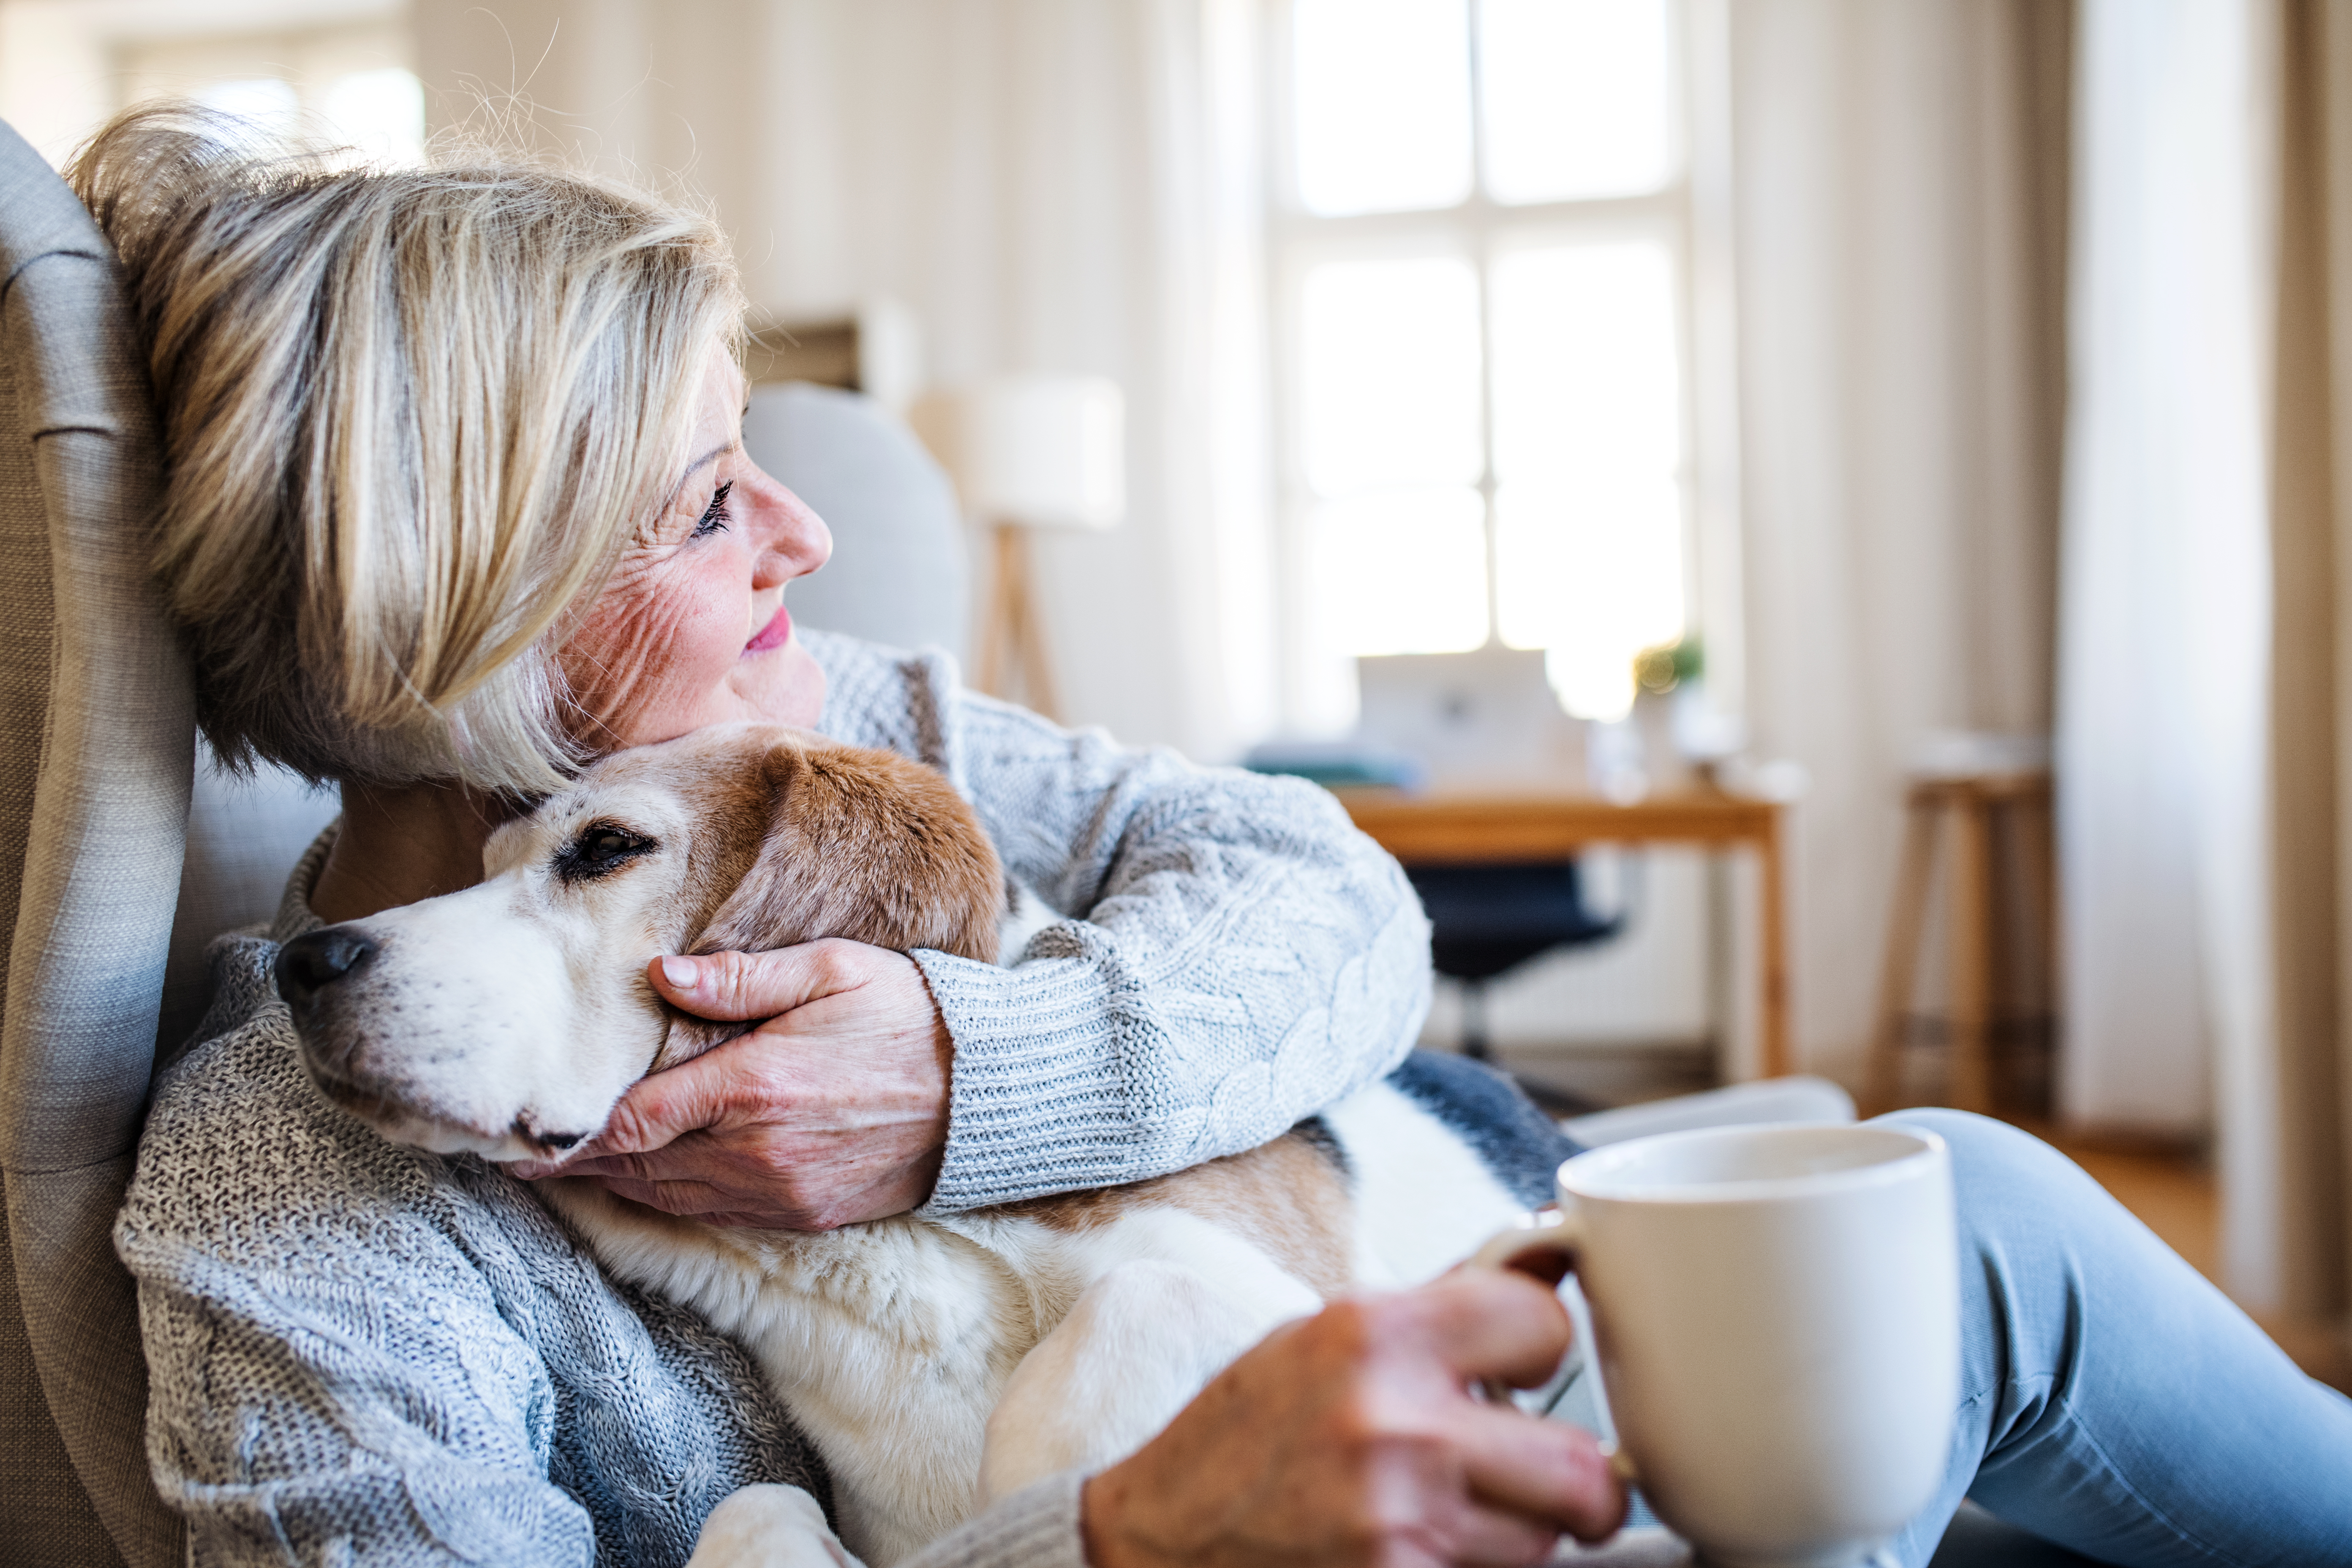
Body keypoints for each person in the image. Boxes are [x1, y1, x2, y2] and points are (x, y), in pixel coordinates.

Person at [83, 103, 2352, 1568]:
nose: (801, 533)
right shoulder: (287, 1201)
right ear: (456, 635)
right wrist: (1136, 1535)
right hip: (1317, 1488)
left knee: (1960, 1220)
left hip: (1436, 1319)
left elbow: (1330, 901)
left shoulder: (855, 731)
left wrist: (983, 1078)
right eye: (699, 504)